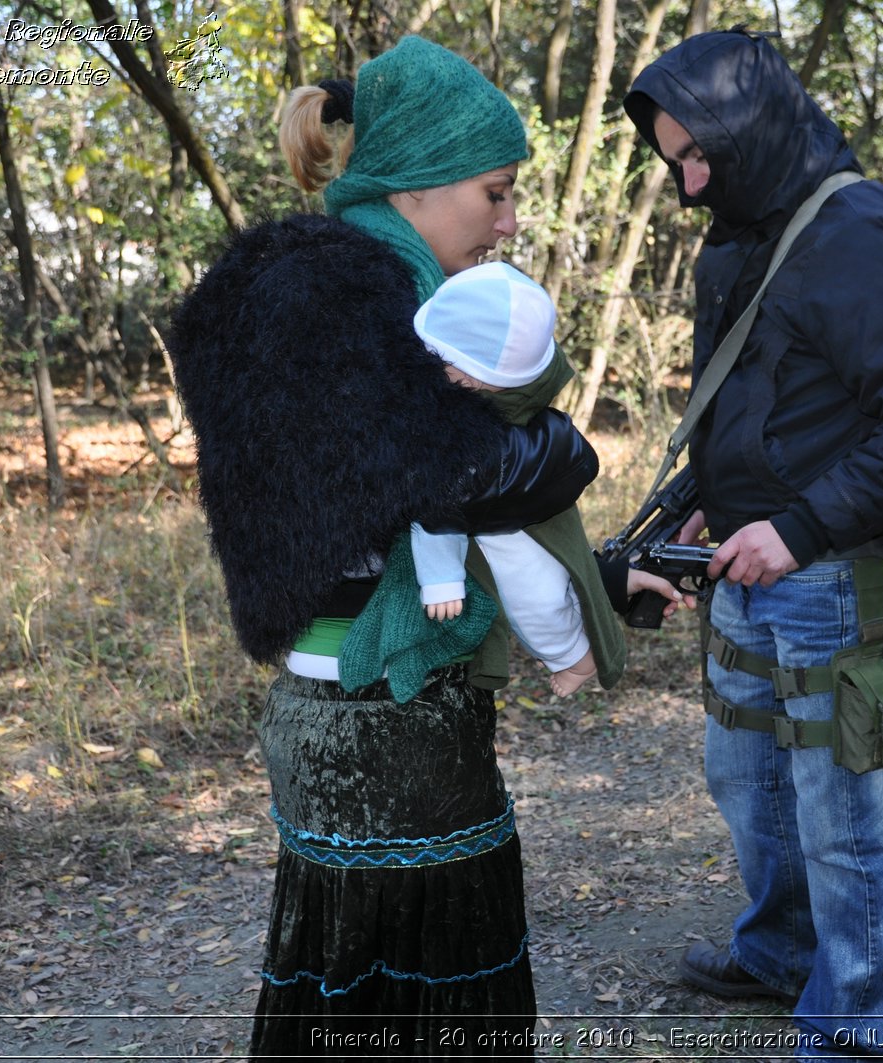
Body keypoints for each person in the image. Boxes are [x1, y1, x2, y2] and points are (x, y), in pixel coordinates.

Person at [167, 36, 683, 1057]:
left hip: (363, 699)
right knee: (429, 991)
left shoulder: (342, 288)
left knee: (365, 986)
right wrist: (557, 438)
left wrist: (604, 574)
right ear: (412, 186)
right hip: (376, 711)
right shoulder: (330, 297)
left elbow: (417, 501)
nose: (509, 221)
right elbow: (463, 477)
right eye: (493, 193)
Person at [624, 30, 883, 1058]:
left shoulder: (859, 229)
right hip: (745, 563)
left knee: (843, 815)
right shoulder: (740, 229)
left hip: (831, 575)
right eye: (672, 160)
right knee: (747, 785)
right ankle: (779, 952)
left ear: (753, 131)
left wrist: (796, 526)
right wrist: (700, 499)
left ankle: (852, 1019)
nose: (686, 185)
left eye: (699, 156)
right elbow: (751, 406)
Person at [409, 261, 605, 698]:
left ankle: (573, 655)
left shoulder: (461, 420)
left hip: (510, 523)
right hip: (525, 509)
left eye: (444, 363)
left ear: (477, 381)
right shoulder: (474, 396)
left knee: (535, 595)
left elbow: (440, 503)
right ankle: (572, 651)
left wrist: (439, 578)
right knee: (546, 585)